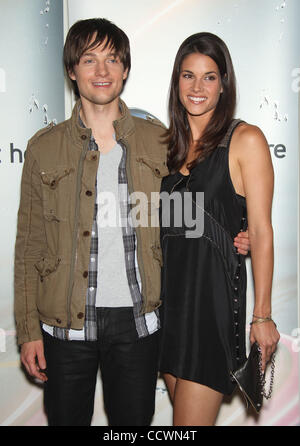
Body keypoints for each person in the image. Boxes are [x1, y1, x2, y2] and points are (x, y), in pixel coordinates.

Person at [14, 19, 249, 426]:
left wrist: (234, 236)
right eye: (89, 60)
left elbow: (187, 215)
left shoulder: (161, 141)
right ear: (72, 70)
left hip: (139, 324)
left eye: (112, 59)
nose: (101, 71)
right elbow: (29, 246)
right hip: (65, 327)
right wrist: (27, 330)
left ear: (125, 69)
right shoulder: (43, 149)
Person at [159, 32, 280, 426]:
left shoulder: (245, 140)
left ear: (224, 83)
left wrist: (261, 317)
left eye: (209, 77)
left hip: (211, 313)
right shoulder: (168, 148)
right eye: (188, 76)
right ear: (176, 81)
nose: (197, 87)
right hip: (169, 311)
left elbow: (260, 230)